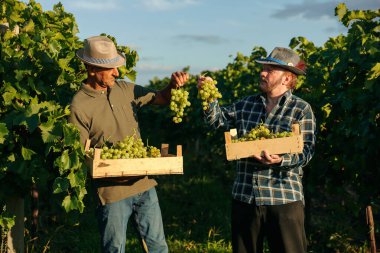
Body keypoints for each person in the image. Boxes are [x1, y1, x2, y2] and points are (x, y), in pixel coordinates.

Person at [69, 35, 189, 253]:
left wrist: (172, 85)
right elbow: (81, 154)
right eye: (111, 68)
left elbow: (161, 97)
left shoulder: (125, 89)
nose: (117, 72)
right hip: (111, 193)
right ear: (92, 68)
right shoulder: (79, 105)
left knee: (158, 248)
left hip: (144, 184)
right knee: (114, 249)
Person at [198, 47, 316, 253]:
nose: (262, 73)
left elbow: (306, 152)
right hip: (245, 197)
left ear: (287, 79)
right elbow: (216, 121)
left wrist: (281, 160)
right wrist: (208, 98)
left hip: (283, 198)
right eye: (263, 68)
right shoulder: (246, 104)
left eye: (270, 70)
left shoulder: (301, 109)